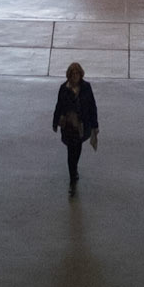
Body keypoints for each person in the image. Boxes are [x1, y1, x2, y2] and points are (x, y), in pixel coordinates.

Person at [51, 62, 99, 193]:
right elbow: (59, 106)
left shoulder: (86, 88)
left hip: (81, 126)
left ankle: (74, 169)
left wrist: (95, 125)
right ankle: (73, 176)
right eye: (72, 74)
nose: (75, 76)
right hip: (68, 127)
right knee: (70, 152)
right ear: (69, 75)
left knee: (76, 150)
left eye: (77, 74)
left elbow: (92, 107)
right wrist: (55, 122)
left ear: (80, 74)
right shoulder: (63, 88)